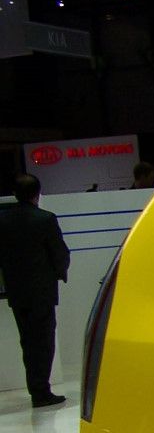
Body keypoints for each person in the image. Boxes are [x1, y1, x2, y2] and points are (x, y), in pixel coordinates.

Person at [0, 174, 71, 407]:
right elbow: (59, 252)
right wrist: (60, 272)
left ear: (15, 193)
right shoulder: (46, 219)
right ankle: (41, 391)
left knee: (28, 342)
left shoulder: (3, 220)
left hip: (16, 291)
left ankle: (37, 388)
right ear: (37, 193)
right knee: (43, 341)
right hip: (42, 290)